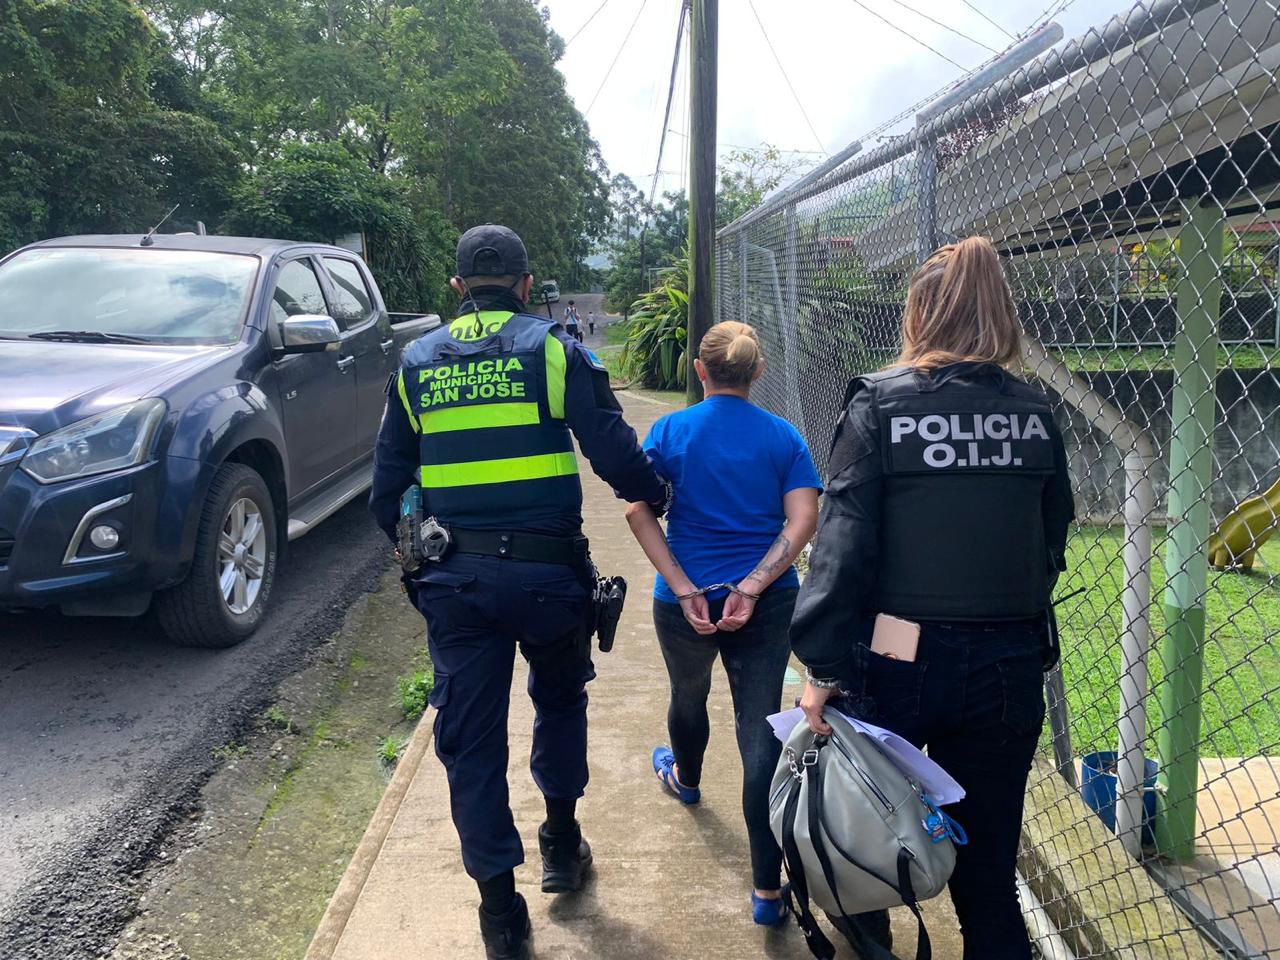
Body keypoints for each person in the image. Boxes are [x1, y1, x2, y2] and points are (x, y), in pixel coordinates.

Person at [369, 224, 670, 960]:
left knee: (469, 743)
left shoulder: (415, 364)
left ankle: (501, 915)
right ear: (528, 285)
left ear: (458, 288)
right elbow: (613, 450)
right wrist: (655, 494)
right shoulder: (553, 350)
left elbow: (388, 493)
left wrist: (422, 573)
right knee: (561, 703)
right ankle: (562, 848)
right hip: (547, 580)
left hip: (458, 584)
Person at [789, 236, 1075, 959]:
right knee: (988, 884)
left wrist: (821, 669)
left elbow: (842, 546)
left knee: (861, 846)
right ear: (1001, 313)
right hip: (1007, 664)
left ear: (920, 314)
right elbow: (1051, 540)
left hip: (891, 660)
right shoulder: (1037, 413)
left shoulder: (880, 405)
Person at [624, 321, 821, 927]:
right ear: (758, 373)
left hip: (683, 603)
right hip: (766, 605)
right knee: (760, 733)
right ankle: (766, 890)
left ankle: (685, 779)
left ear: (699, 370)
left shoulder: (670, 431)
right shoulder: (783, 437)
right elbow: (803, 518)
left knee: (688, 693)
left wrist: (685, 588)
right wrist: (753, 585)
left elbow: (639, 509)